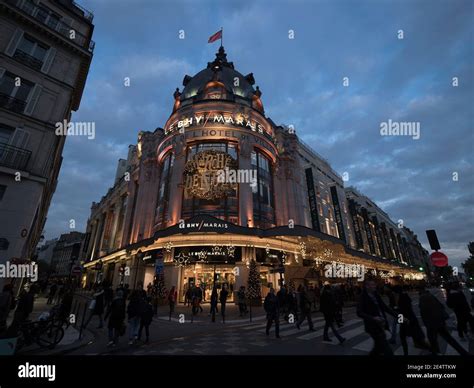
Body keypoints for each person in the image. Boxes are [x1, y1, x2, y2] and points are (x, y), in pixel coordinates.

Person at [419, 286, 469, 355]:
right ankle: (463, 352)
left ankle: (436, 353)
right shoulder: (431, 296)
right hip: (440, 321)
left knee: (433, 340)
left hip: (432, 323)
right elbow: (441, 306)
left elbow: (424, 312)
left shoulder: (422, 298)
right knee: (450, 339)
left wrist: (426, 323)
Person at [357, 278, 396, 356]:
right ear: (367, 286)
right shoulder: (362, 297)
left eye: (374, 284)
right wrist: (373, 318)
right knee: (387, 350)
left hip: (381, 324)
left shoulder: (376, 294)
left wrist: (397, 315)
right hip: (372, 326)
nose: (375, 286)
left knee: (378, 348)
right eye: (372, 285)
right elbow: (359, 312)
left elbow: (384, 307)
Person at [393, 286, 430, 355]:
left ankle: (431, 349)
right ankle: (406, 352)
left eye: (394, 293)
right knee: (405, 336)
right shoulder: (401, 297)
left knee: (412, 336)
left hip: (408, 320)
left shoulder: (401, 298)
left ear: (396, 292)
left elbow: (403, 310)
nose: (393, 294)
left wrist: (402, 317)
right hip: (407, 319)